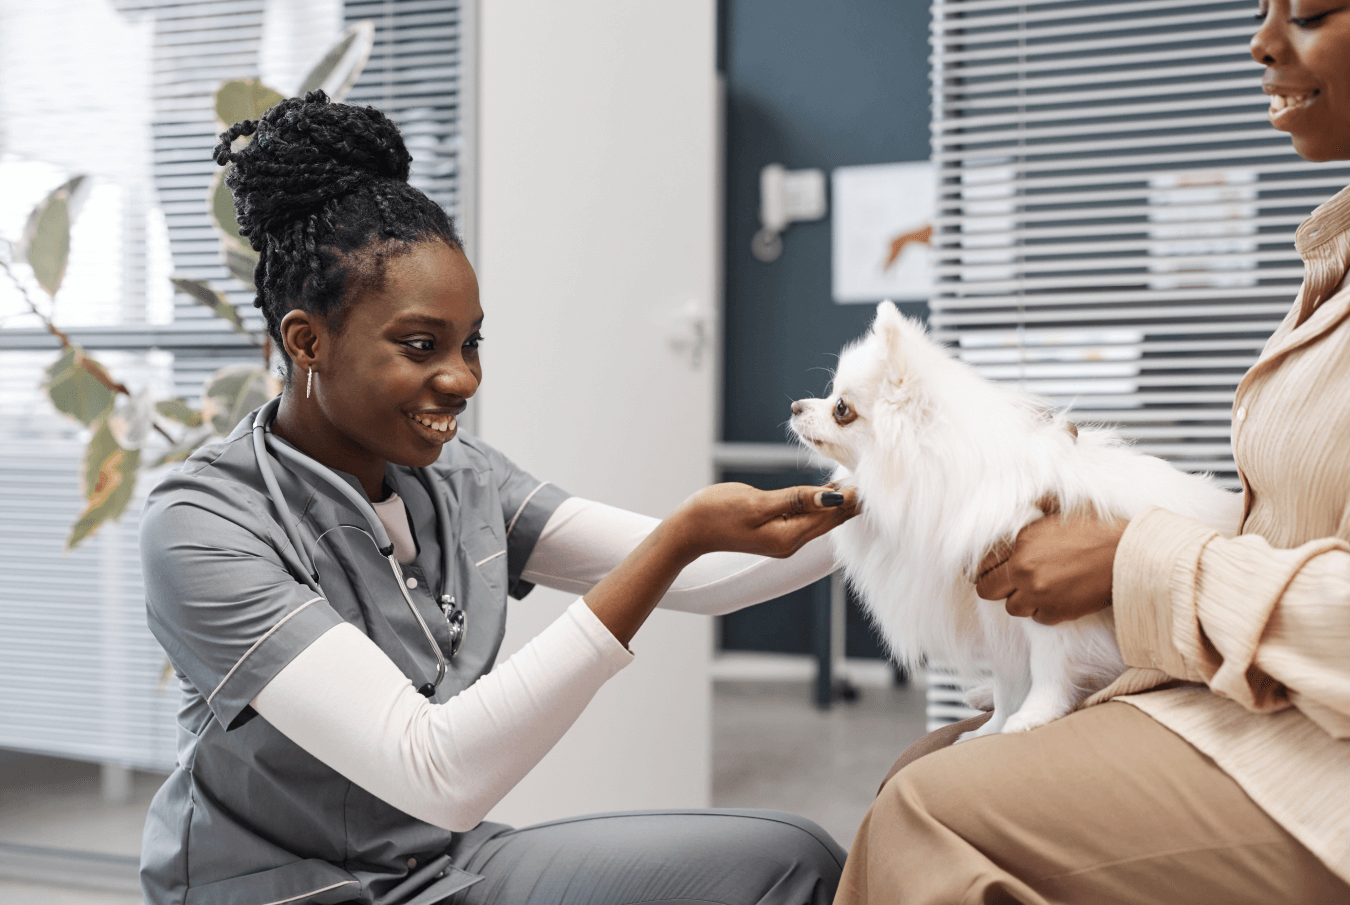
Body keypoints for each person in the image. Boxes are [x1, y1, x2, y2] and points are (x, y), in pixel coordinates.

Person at [138, 91, 857, 905]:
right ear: (307, 340)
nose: (462, 377)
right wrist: (678, 537)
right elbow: (436, 770)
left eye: (470, 341)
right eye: (421, 345)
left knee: (792, 860)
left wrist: (900, 493)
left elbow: (702, 574)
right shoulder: (202, 524)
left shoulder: (462, 475)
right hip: (285, 895)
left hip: (439, 871)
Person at [835, 2, 1350, 903]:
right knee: (920, 766)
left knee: (925, 811)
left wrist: (1126, 558)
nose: (1263, 42)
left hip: (1318, 755)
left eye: (1308, 12)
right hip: (1269, 700)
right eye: (1264, 10)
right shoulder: (1328, 262)